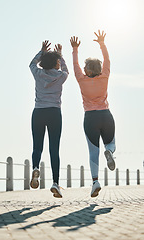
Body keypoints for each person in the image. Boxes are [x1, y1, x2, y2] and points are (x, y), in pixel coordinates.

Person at [70, 30, 116, 197]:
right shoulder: (105, 77)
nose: (82, 69)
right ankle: (110, 153)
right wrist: (102, 44)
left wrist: (75, 49)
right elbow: (108, 61)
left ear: (87, 70)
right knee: (111, 144)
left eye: (84, 67)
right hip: (106, 115)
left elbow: (75, 67)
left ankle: (95, 181)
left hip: (90, 118)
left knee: (93, 151)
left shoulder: (82, 80)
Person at [29, 40, 69, 198]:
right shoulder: (60, 76)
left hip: (38, 112)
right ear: (57, 63)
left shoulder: (37, 73)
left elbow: (32, 63)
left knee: (37, 146)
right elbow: (67, 70)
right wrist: (61, 55)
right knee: (54, 149)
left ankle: (35, 167)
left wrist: (41, 52)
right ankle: (55, 183)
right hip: (54, 113)